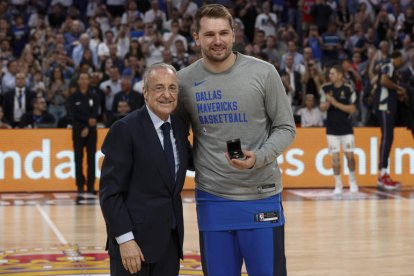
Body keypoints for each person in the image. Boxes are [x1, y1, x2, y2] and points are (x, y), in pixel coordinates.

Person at [176, 4, 295, 275]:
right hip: (212, 199)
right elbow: (177, 135)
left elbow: (286, 127)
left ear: (233, 35)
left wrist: (260, 158)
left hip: (261, 195)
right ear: (196, 37)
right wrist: (196, 163)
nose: (217, 41)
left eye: (223, 33)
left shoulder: (264, 73)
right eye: (209, 34)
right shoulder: (183, 82)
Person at [100, 63, 190, 276]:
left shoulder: (178, 126)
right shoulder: (125, 129)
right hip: (134, 246)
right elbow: (110, 194)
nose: (166, 95)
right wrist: (125, 239)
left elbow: (193, 161)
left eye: (172, 88)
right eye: (159, 88)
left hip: (170, 242)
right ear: (146, 92)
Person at [320, 65, 359, 195]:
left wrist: (335, 103)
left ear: (340, 75)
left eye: (332, 73)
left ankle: (352, 181)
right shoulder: (325, 88)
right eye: (329, 73)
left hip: (347, 129)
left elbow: (352, 109)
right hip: (331, 130)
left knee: (350, 156)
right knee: (335, 158)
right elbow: (322, 107)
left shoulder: (348, 88)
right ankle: (338, 185)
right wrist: (328, 103)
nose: (330, 76)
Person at [373, 51, 406, 190]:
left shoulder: (385, 64)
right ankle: (383, 174)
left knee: (387, 138)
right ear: (396, 58)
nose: (401, 63)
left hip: (385, 105)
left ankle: (383, 173)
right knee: (387, 138)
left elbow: (378, 79)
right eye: (401, 60)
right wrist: (399, 88)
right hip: (385, 106)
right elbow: (383, 81)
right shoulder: (390, 64)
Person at [69, 72, 100, 195]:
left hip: (91, 130)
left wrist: (88, 125)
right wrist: (87, 122)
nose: (83, 81)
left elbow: (95, 112)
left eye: (86, 78)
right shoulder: (73, 97)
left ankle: (91, 185)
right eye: (81, 78)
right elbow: (74, 114)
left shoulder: (94, 96)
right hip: (78, 130)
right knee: (78, 158)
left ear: (89, 81)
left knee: (91, 158)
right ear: (78, 81)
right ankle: (80, 185)